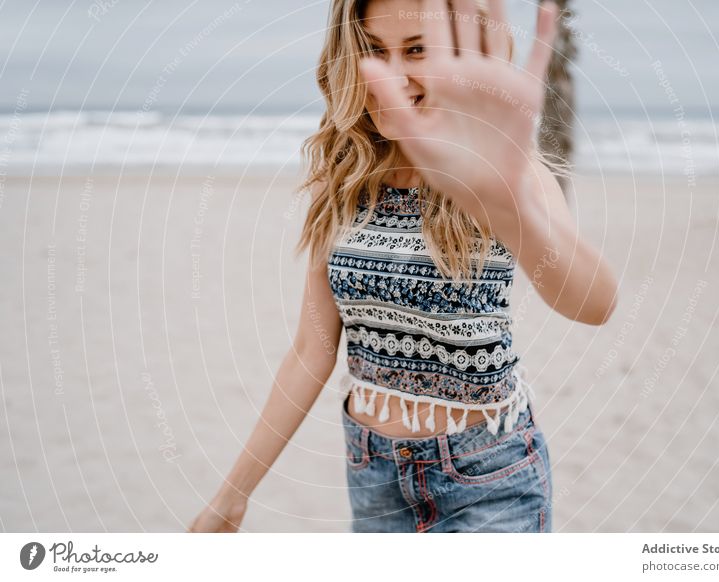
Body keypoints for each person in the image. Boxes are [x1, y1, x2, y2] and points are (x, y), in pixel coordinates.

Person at [189, 0, 618, 533]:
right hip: (374, 478)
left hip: (488, 479)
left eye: (416, 49)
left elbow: (595, 303)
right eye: (374, 50)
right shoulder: (344, 179)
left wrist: (507, 201)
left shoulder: (507, 169)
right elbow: (312, 349)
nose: (392, 76)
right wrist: (233, 495)